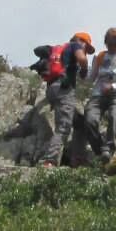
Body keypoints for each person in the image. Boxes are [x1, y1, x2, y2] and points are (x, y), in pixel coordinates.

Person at [35, 31, 94, 167]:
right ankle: (49, 160)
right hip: (64, 89)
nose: (86, 50)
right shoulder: (75, 45)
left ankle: (78, 158)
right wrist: (84, 70)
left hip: (51, 90)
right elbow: (82, 59)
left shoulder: (57, 49)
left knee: (79, 122)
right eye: (87, 46)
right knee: (63, 127)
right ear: (81, 41)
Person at [89, 28, 116, 162]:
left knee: (114, 116)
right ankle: (100, 150)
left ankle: (108, 148)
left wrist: (113, 86)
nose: (114, 46)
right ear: (106, 42)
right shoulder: (99, 56)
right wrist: (80, 71)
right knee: (90, 119)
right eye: (111, 44)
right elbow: (92, 77)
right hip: (98, 94)